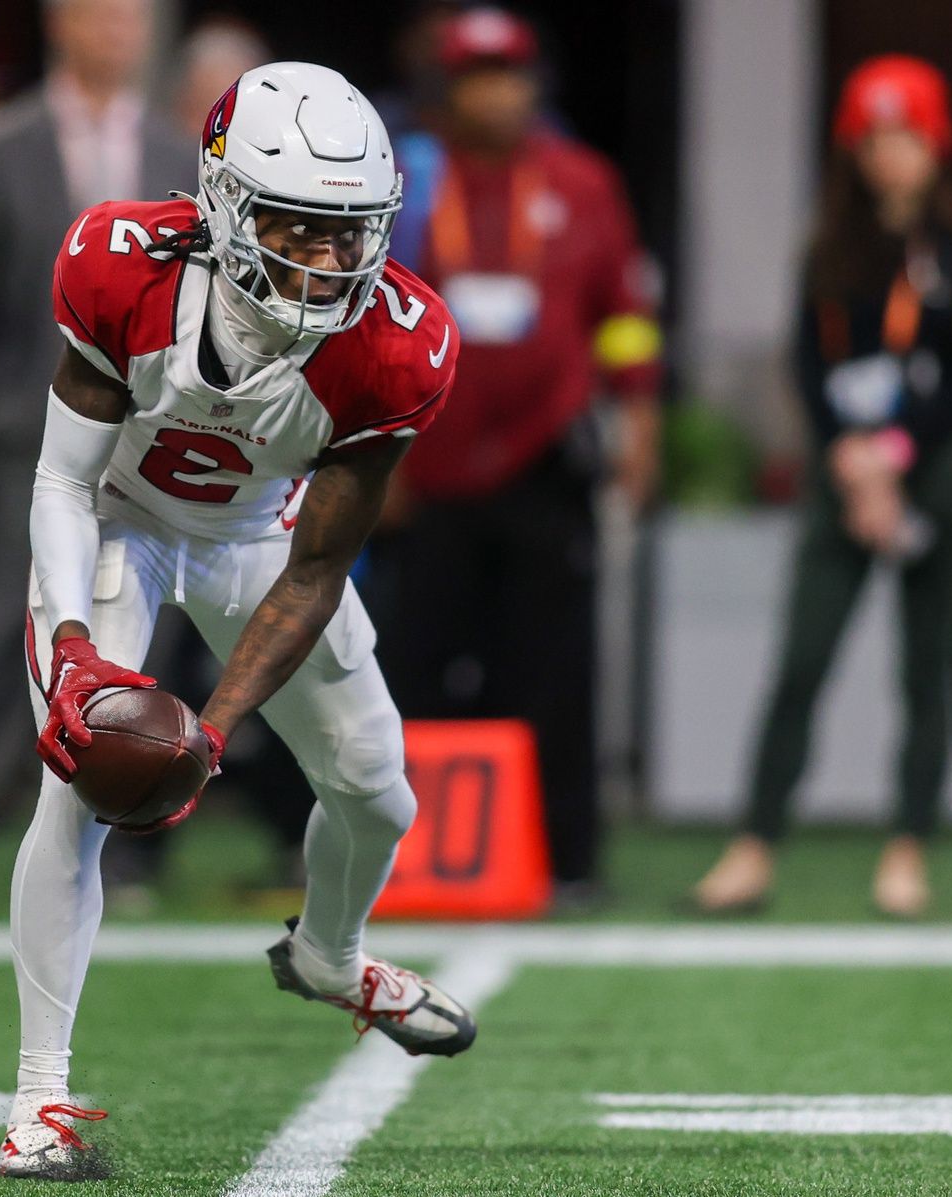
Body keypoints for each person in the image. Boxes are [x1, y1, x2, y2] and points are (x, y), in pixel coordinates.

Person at [0, 63, 476, 1180]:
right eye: (298, 230)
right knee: (81, 784)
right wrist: (73, 654)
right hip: (115, 521)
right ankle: (38, 1101)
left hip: (263, 539)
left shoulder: (397, 345)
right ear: (221, 202)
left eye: (349, 236)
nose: (326, 263)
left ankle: (330, 956)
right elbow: (61, 484)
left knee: (378, 788)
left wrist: (209, 733)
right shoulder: (127, 268)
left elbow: (316, 570)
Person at [0, 0, 197, 910]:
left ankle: (131, 847)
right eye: (99, 13)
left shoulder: (184, 157)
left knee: (144, 642)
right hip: (33, 448)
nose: (117, 30)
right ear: (61, 23)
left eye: (132, 16)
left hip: (151, 453)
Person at [689, 56, 952, 918]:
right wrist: (846, 456)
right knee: (801, 662)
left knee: (927, 670)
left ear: (935, 144)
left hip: (938, 476)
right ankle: (753, 846)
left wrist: (897, 452)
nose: (889, 155)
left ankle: (908, 849)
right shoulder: (828, 246)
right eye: (873, 139)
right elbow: (808, 357)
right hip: (844, 476)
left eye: (905, 137)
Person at [378, 8, 662, 905]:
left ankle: (568, 861)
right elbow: (368, 318)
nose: (496, 93)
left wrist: (642, 413)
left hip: (545, 461)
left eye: (509, 75)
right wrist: (371, 454)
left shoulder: (582, 184)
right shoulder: (408, 182)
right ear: (448, 90)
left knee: (556, 668)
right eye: (476, 77)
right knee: (413, 666)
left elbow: (622, 312)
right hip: (428, 468)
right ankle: (399, 855)